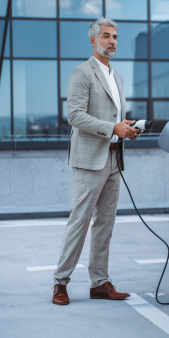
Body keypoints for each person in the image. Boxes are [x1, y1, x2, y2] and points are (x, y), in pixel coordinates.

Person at [52, 17, 140, 305]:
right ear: (93, 40)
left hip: (114, 159)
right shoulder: (82, 73)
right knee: (79, 221)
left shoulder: (118, 78)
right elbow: (74, 116)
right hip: (90, 160)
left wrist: (125, 128)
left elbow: (112, 118)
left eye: (115, 36)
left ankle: (99, 283)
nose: (112, 41)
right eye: (106, 36)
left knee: (105, 224)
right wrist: (112, 128)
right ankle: (60, 282)